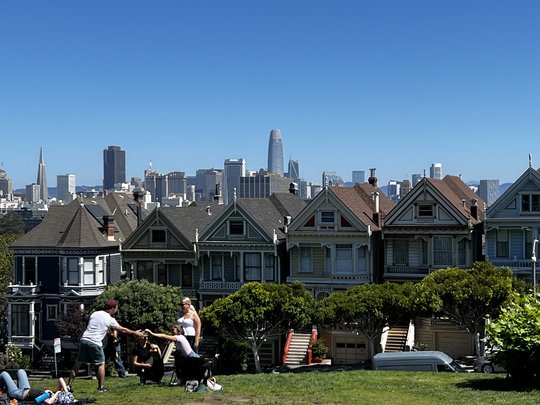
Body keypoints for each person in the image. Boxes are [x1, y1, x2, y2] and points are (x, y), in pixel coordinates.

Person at [67, 299, 144, 393]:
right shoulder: (110, 319)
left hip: (84, 339)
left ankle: (68, 385)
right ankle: (101, 388)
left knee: (77, 364)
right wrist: (134, 332)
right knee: (101, 364)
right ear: (113, 308)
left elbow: (95, 325)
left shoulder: (95, 314)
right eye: (116, 308)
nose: (117, 310)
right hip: (95, 342)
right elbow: (122, 329)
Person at [0, 370, 74, 404]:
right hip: (26, 388)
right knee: (21, 371)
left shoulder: (50, 399)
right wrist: (66, 391)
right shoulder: (54, 394)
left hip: (19, 394)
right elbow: (60, 379)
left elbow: (48, 402)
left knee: (4, 374)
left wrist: (58, 393)